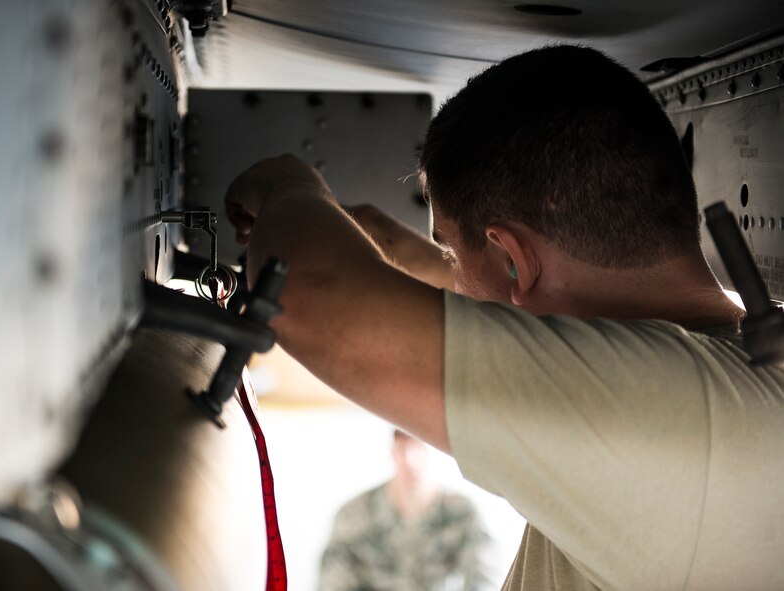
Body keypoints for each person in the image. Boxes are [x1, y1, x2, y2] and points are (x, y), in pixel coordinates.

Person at [224, 44, 784, 590]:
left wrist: (285, 185)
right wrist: (423, 259)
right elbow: (528, 299)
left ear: (514, 260)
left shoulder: (667, 410)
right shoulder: (729, 384)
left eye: (453, 253)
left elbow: (312, 297)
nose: (454, 275)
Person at [319, 429, 497, 590]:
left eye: (419, 447)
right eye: (403, 448)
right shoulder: (354, 514)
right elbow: (333, 582)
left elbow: (484, 579)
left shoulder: (462, 513)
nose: (411, 461)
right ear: (393, 452)